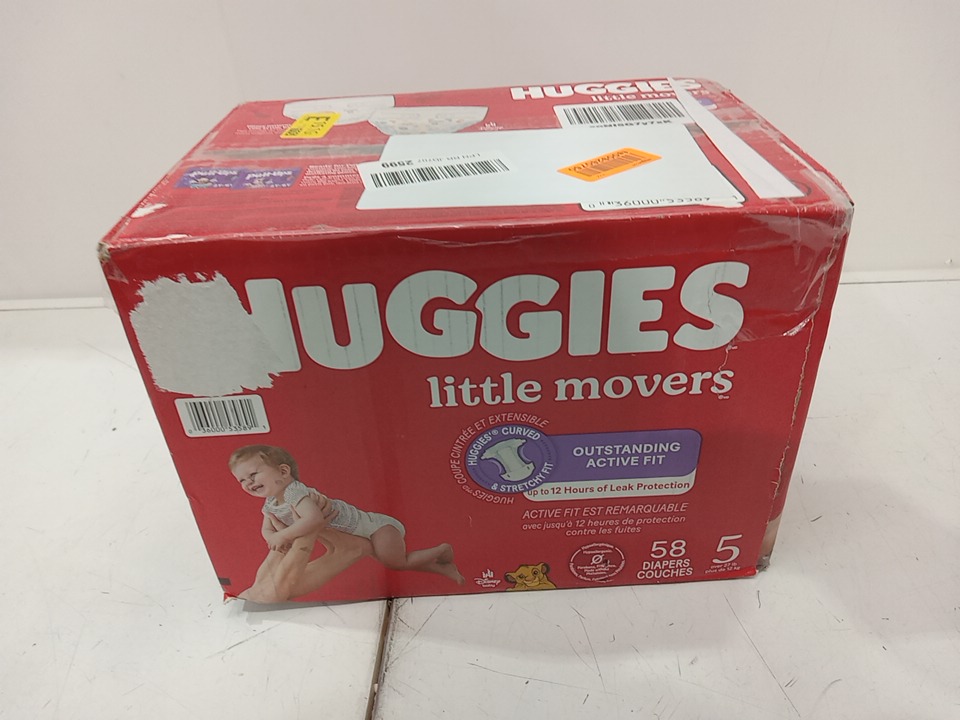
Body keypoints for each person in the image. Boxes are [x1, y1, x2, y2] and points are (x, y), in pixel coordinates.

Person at [229, 445, 464, 598]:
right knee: (390, 562)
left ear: (283, 472)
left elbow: (314, 519)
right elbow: (267, 527)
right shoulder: (271, 501)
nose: (249, 483)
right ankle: (442, 568)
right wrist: (272, 536)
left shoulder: (295, 493)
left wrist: (283, 535)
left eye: (253, 474)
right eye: (242, 480)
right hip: (357, 536)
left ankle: (441, 550)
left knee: (396, 562)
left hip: (377, 528)